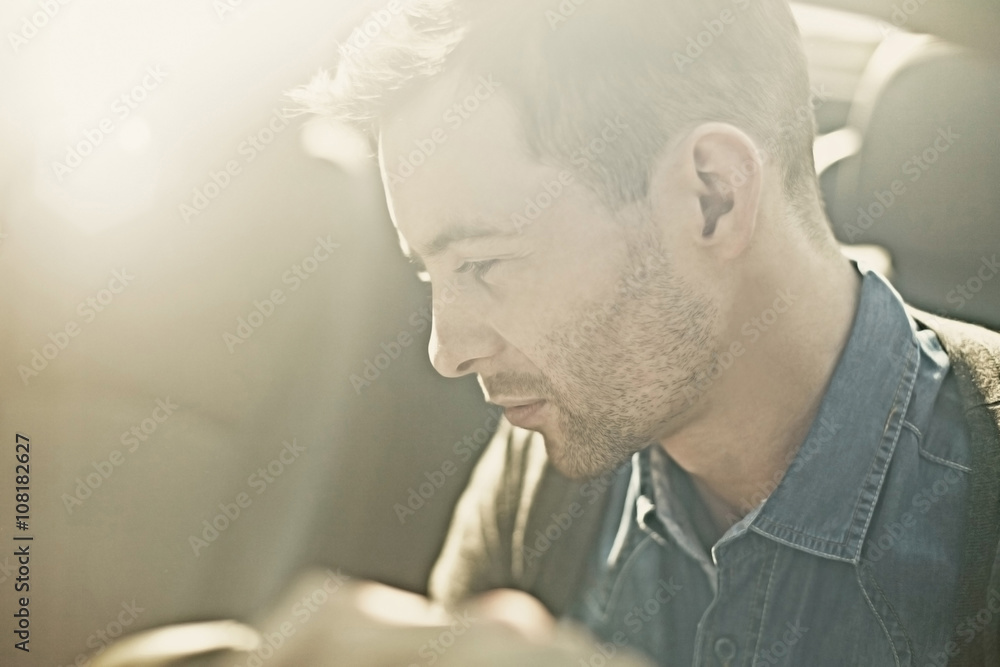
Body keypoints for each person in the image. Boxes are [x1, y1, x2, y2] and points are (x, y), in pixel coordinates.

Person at [291, 0, 1000, 664]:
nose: (447, 351)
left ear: (713, 196)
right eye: (431, 273)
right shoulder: (541, 473)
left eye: (483, 263)